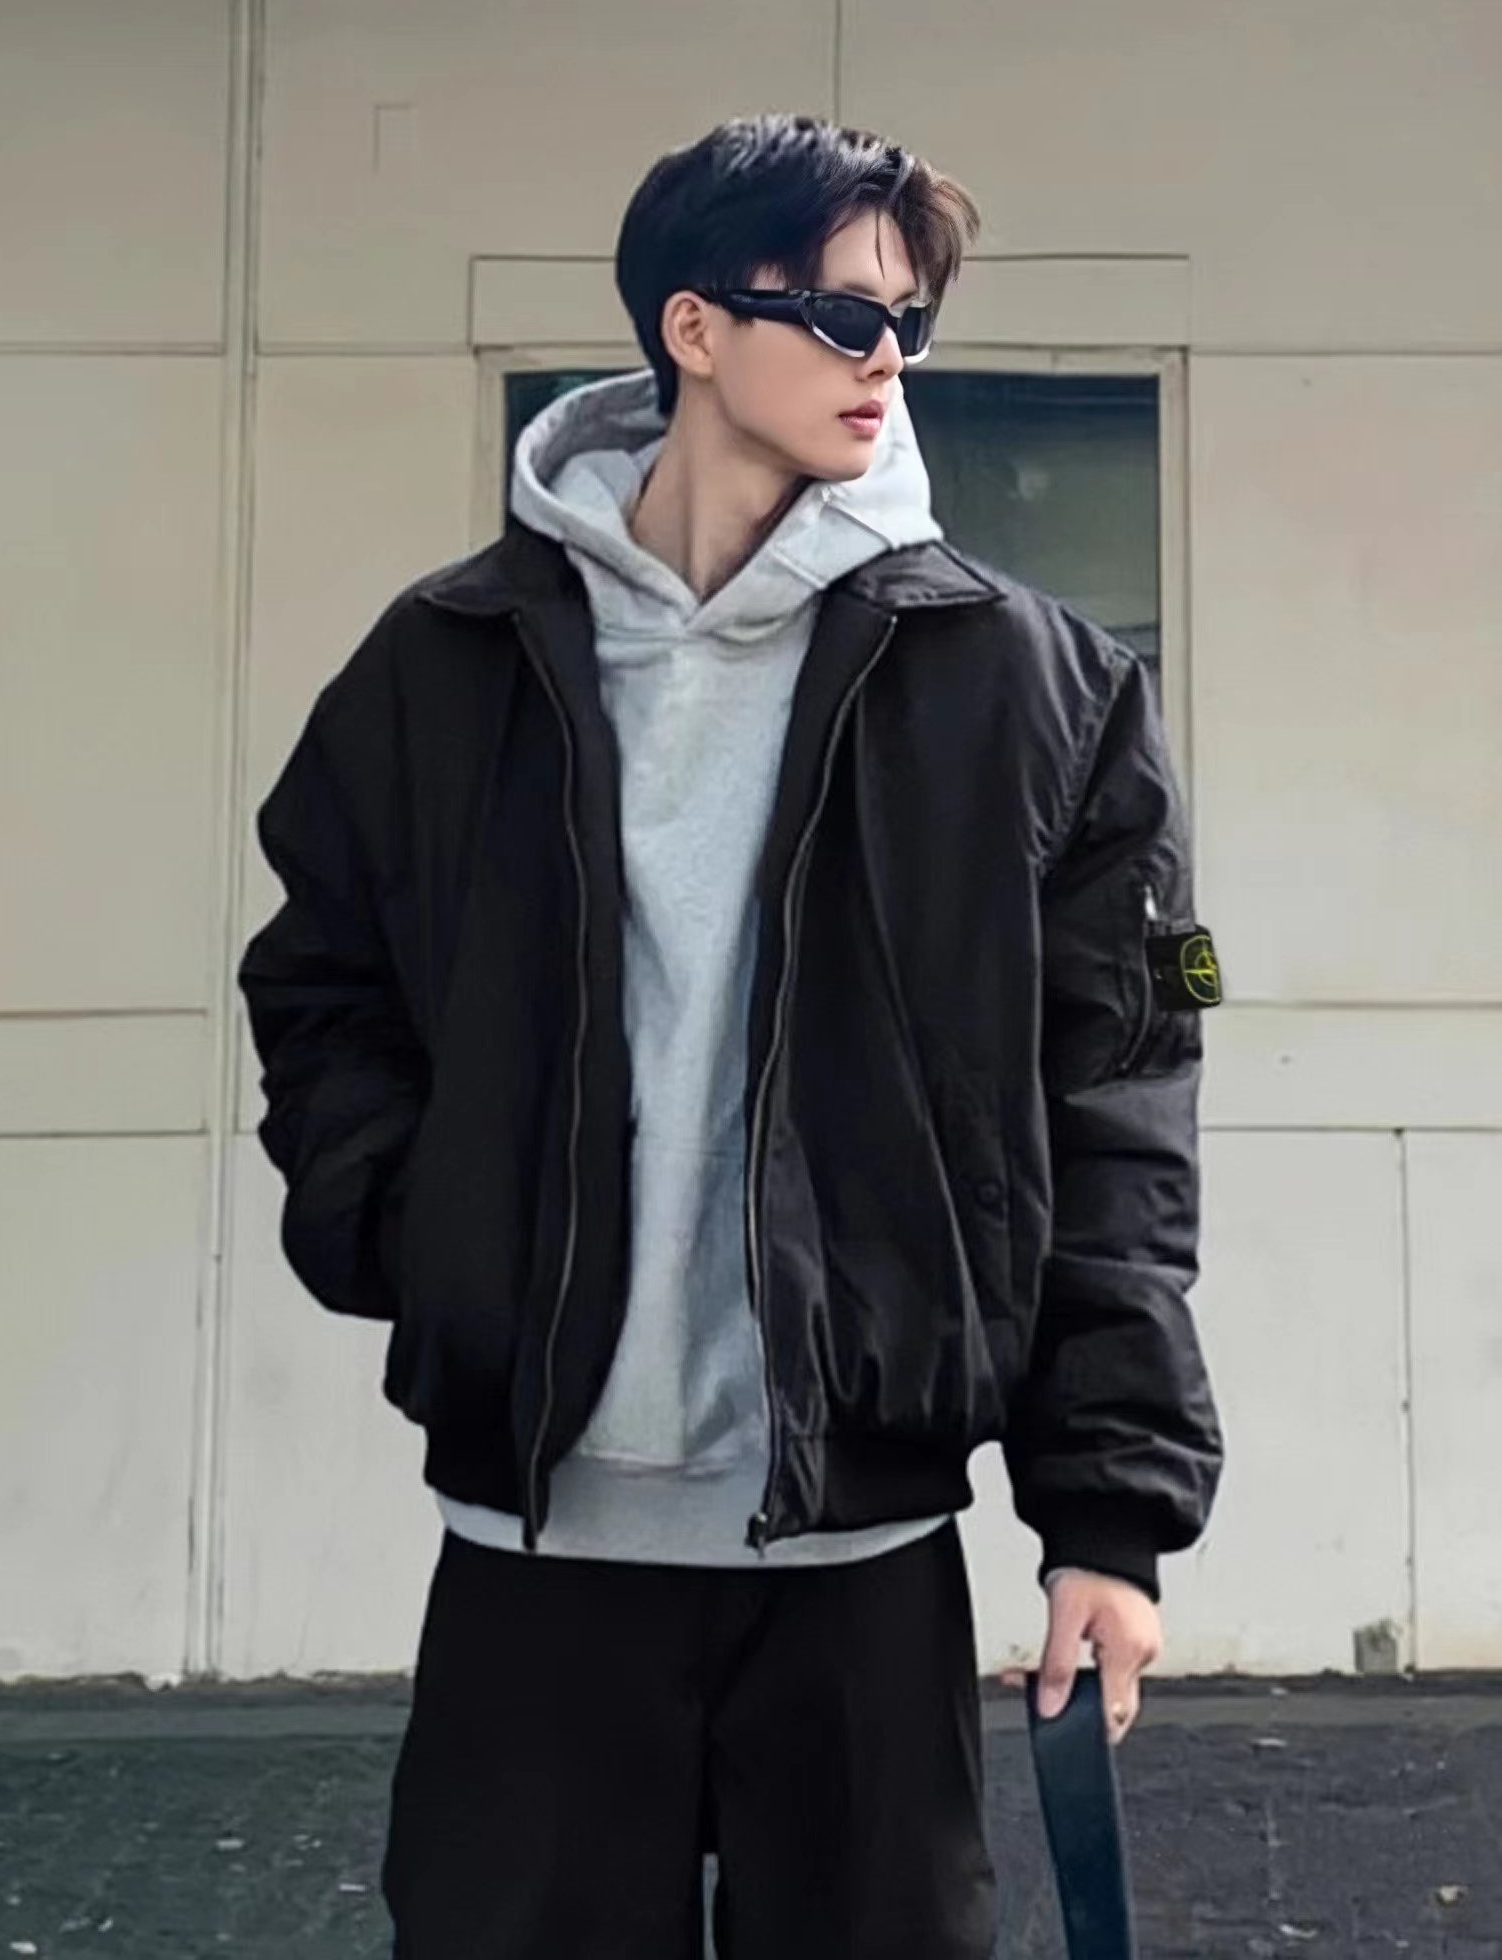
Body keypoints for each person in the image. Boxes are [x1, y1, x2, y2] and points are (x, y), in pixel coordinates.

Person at [237, 111, 1225, 1960]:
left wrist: (1107, 1512)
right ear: (693, 327)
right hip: (537, 1550)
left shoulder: (1034, 689)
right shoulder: (446, 663)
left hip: (862, 1559)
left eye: (910, 321)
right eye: (845, 316)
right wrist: (416, 1225)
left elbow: (1116, 1108)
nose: (888, 361)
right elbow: (318, 984)